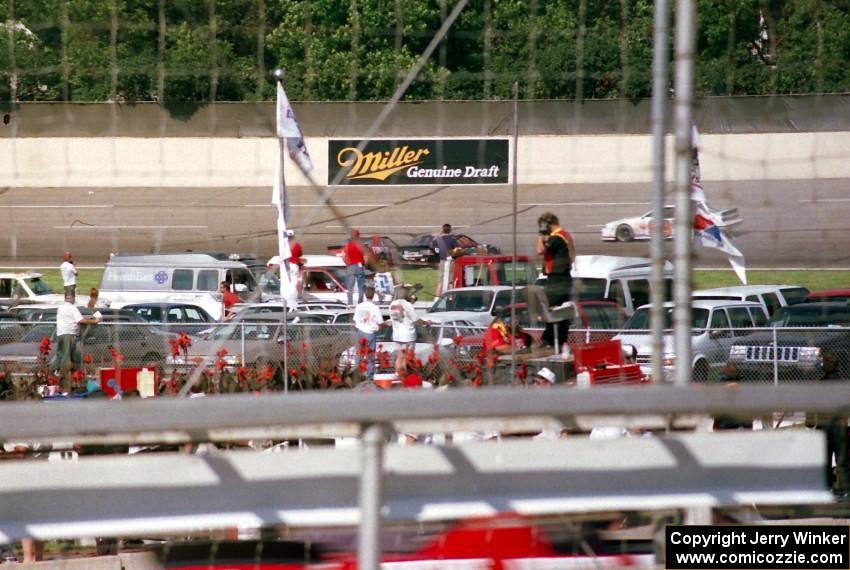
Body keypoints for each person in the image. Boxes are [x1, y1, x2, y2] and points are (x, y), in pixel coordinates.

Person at [535, 212, 575, 348]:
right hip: (564, 279)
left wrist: (540, 235)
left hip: (557, 279)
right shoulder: (564, 236)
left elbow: (540, 250)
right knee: (561, 311)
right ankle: (558, 338)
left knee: (550, 309)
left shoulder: (556, 237)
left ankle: (549, 339)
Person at [53, 291, 101, 393]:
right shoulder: (72, 308)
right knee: (66, 358)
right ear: (73, 298)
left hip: (60, 334)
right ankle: (63, 381)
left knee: (64, 356)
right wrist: (95, 321)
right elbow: (81, 320)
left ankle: (72, 377)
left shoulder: (61, 308)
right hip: (69, 335)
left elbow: (74, 318)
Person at [389, 285, 429, 377]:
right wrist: (426, 322)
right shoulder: (408, 305)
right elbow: (415, 319)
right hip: (407, 335)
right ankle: (406, 376)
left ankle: (398, 375)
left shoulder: (392, 304)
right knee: (407, 358)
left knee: (399, 357)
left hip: (397, 334)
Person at [353, 286, 384, 382]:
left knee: (359, 354)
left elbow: (355, 319)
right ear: (373, 295)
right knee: (370, 356)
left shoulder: (359, 306)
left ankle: (357, 373)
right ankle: (369, 376)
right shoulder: (375, 308)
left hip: (360, 331)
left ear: (365, 295)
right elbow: (380, 322)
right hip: (370, 332)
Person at [432, 224, 459, 297]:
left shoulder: (438, 240)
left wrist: (439, 234)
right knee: (450, 281)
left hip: (442, 261)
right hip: (450, 261)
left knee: (440, 281)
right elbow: (457, 249)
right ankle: (451, 298)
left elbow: (434, 247)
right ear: (450, 230)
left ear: (442, 229)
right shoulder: (452, 239)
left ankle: (436, 299)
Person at [343, 229, 366, 306]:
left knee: (350, 287)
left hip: (351, 266)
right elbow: (366, 257)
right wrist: (364, 264)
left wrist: (348, 264)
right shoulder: (361, 245)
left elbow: (344, 257)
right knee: (361, 286)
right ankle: (360, 302)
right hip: (359, 265)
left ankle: (350, 303)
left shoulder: (348, 245)